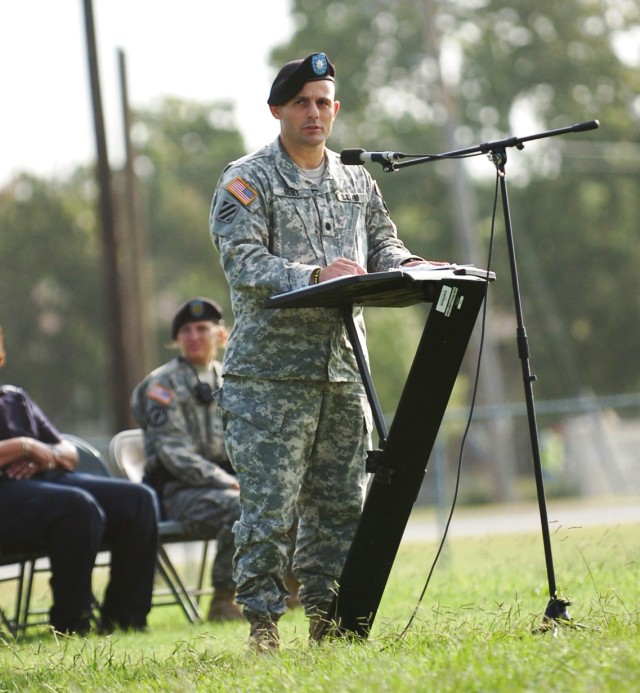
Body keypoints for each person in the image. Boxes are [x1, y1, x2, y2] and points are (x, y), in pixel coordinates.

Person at [209, 52, 446, 650]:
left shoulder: (355, 179)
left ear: (335, 110)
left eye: (323, 103)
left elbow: (383, 242)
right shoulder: (247, 179)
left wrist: (410, 266)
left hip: (343, 371)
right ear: (277, 111)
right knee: (270, 510)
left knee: (341, 505)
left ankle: (328, 622)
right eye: (301, 103)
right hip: (270, 377)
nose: (314, 113)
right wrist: (312, 273)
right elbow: (244, 262)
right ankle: (263, 625)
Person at [0, 325, 159, 635]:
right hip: (7, 496)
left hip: (49, 480)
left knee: (138, 499)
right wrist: (25, 446)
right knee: (75, 507)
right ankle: (71, 625)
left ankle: (125, 621)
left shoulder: (13, 398)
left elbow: (68, 452)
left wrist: (42, 454)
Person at [131, 297, 244, 622]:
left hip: (225, 486)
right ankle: (224, 600)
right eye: (186, 331)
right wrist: (228, 482)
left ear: (221, 335)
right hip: (179, 492)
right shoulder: (162, 385)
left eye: (202, 329)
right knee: (239, 508)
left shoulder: (230, 378)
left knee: (281, 499)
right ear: (177, 339)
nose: (194, 336)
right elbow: (173, 453)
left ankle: (289, 589)